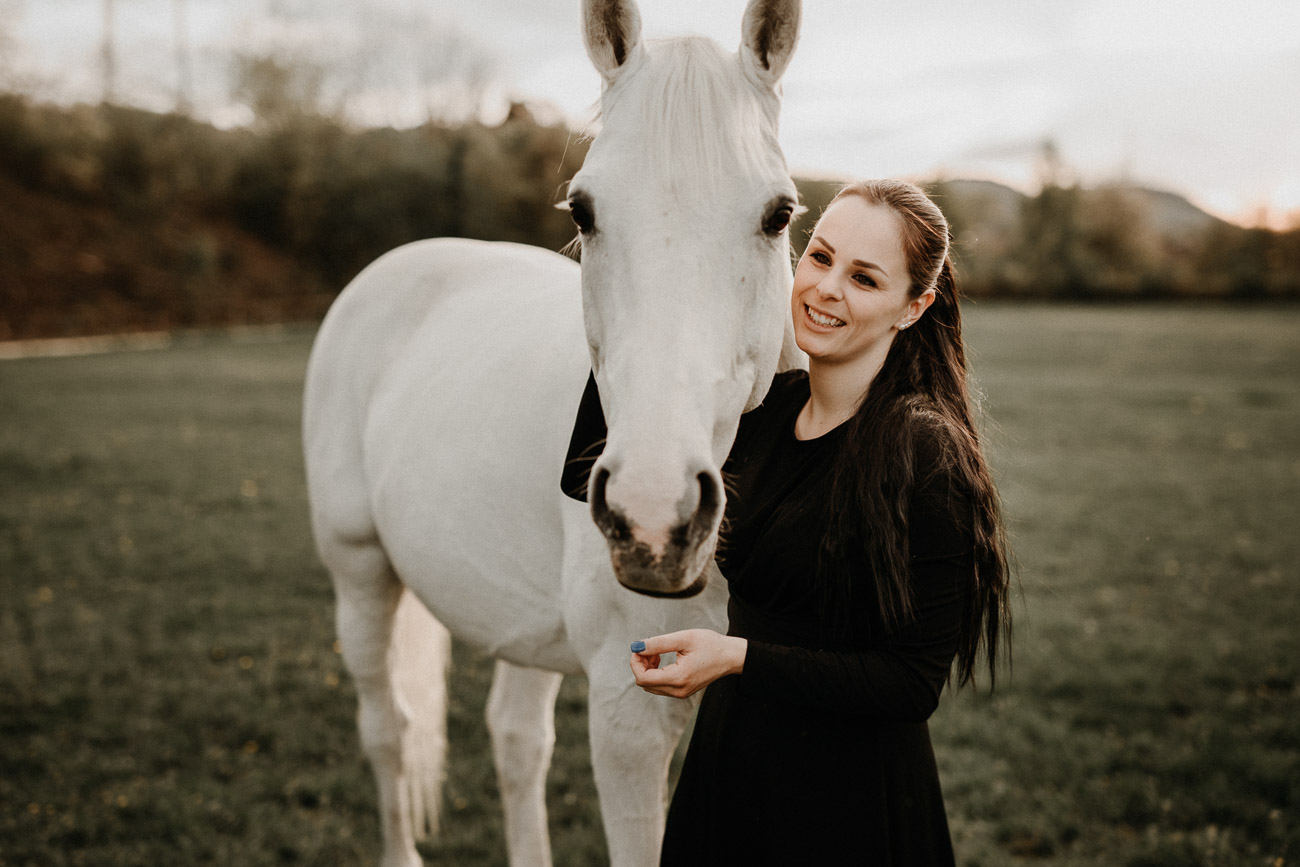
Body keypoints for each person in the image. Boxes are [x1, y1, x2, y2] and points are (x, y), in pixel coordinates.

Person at [563, 179, 1012, 865]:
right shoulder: (767, 414)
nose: (827, 287)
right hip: (731, 765)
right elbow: (581, 475)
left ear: (914, 307)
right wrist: (646, 304)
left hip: (846, 800)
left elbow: (910, 683)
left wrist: (737, 657)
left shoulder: (925, 450)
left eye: (863, 278)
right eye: (820, 256)